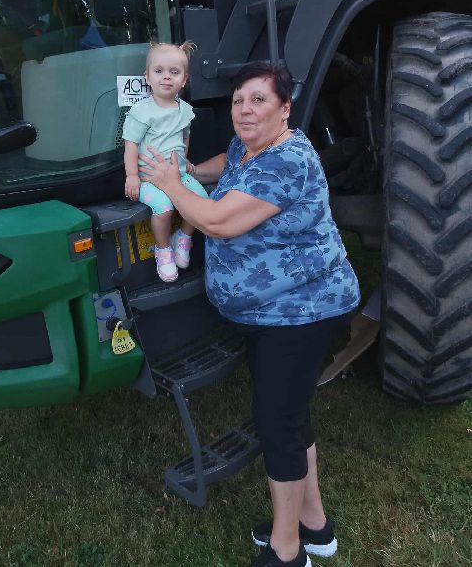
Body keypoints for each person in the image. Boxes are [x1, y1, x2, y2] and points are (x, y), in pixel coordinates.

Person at [139, 62, 361, 567]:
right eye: (238, 100)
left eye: (259, 100)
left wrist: (172, 183)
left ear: (285, 109)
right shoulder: (250, 146)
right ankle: (315, 526)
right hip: (271, 315)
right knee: (290, 417)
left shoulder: (287, 161)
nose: (244, 110)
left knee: (277, 424)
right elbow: (228, 160)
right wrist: (195, 170)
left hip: (302, 312)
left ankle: (287, 551)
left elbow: (217, 222)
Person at [122, 41, 208, 282]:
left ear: (184, 79)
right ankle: (163, 250)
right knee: (164, 208)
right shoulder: (142, 111)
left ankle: (183, 237)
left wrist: (184, 159)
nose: (166, 77)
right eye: (159, 71)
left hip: (178, 175)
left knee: (201, 201)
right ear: (147, 77)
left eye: (174, 72)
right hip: (148, 179)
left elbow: (184, 137)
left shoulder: (185, 110)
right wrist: (132, 176)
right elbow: (131, 145)